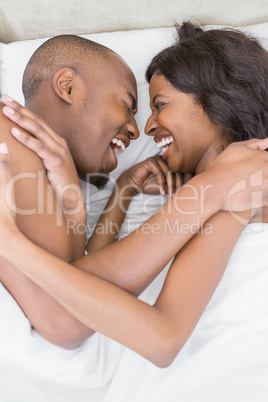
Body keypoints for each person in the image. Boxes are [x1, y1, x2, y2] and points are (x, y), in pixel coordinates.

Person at [1, 22, 268, 368]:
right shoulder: (10, 131)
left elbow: (68, 308)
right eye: (132, 105)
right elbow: (74, 294)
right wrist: (111, 197)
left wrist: (13, 242)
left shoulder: (237, 185)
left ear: (215, 98)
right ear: (66, 87)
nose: (145, 127)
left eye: (159, 104)